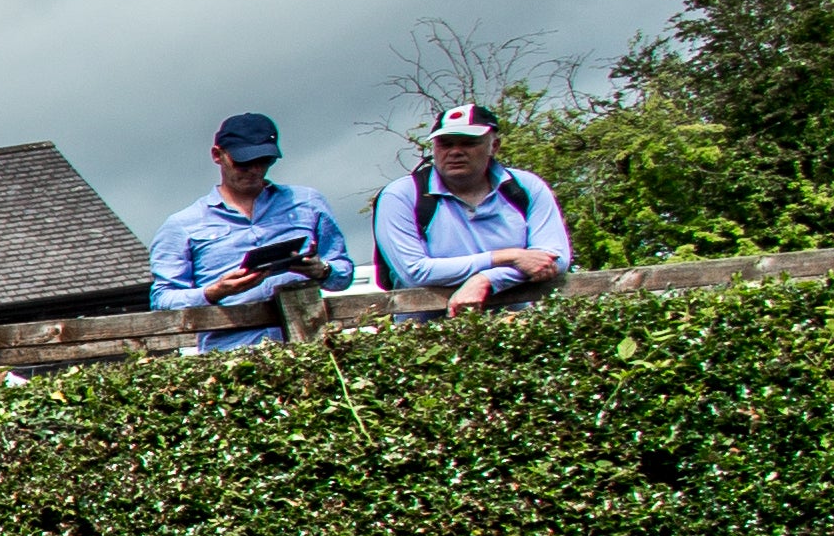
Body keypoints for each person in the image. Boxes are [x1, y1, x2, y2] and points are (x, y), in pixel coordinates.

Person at [149, 112, 358, 356]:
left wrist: (322, 270)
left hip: (307, 349)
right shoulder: (182, 225)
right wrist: (215, 291)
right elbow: (162, 300)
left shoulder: (308, 203)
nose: (255, 170)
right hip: (230, 359)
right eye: (243, 162)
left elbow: (343, 273)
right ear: (218, 155)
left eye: (264, 161)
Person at [376, 100, 574, 315]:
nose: (455, 152)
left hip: (518, 332)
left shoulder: (526, 188)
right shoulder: (402, 196)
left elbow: (554, 260)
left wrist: (487, 279)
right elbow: (415, 272)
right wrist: (507, 257)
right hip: (428, 338)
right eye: (446, 143)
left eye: (468, 142)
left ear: (494, 146)